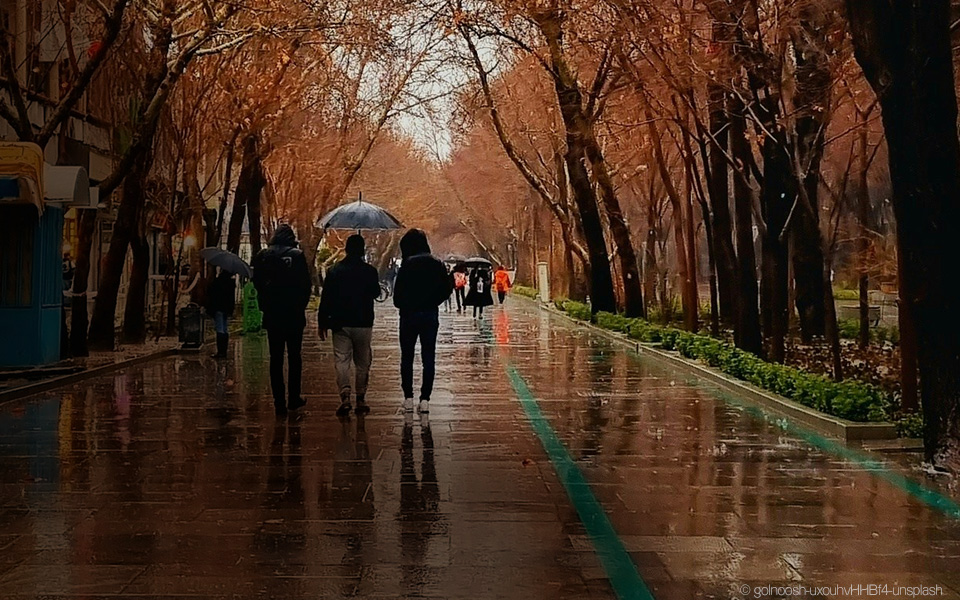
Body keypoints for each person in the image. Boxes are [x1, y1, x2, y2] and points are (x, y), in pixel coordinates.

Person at [317, 234, 381, 417]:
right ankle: (360, 397)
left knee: (341, 360)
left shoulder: (334, 271)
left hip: (340, 323)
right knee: (363, 361)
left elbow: (326, 298)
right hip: (363, 322)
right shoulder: (370, 271)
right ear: (362, 250)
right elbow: (376, 293)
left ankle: (345, 396)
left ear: (346, 249)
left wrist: (322, 322)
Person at [252, 224, 312, 416]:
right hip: (293, 314)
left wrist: (265, 303)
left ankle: (279, 401)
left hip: (273, 314)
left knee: (275, 358)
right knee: (294, 356)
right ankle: (293, 398)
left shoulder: (263, 256)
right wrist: (300, 306)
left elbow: (257, 282)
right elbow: (305, 285)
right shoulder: (297, 255)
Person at [393, 229, 452, 414]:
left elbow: (397, 297)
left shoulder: (407, 265)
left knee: (407, 357)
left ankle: (408, 398)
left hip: (408, 316)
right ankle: (425, 399)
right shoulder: (437, 264)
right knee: (428, 357)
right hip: (429, 315)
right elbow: (446, 289)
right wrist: (432, 301)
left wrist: (407, 303)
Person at [206, 270, 236, 358]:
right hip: (226, 309)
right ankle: (224, 351)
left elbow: (211, 292)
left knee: (220, 328)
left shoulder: (218, 281)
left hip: (219, 308)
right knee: (224, 328)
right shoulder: (231, 283)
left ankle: (220, 352)